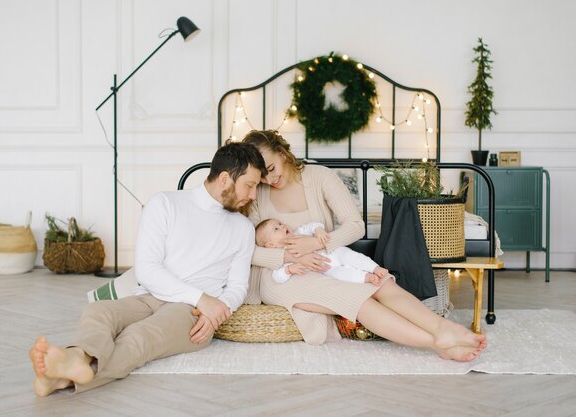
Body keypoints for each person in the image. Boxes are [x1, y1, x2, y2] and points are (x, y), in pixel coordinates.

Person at [29, 142, 267, 396]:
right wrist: (202, 298)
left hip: (192, 313)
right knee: (99, 311)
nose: (253, 196)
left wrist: (215, 312)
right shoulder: (165, 203)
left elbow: (238, 287)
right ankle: (74, 359)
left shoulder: (242, 229)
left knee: (140, 336)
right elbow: (147, 269)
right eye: (249, 186)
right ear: (224, 179)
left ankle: (65, 376)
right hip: (150, 296)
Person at [242, 129, 486, 361]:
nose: (269, 179)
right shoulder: (256, 192)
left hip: (328, 260)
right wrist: (292, 258)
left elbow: (355, 225)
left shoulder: (320, 177)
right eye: (261, 175)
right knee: (358, 297)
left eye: (271, 168)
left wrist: (316, 243)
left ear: (283, 154)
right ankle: (437, 342)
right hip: (280, 276)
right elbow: (248, 250)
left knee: (381, 282)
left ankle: (442, 327)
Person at [255, 218, 389, 285]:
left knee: (352, 257)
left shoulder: (298, 233)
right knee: (341, 275)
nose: (282, 226)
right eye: (276, 229)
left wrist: (318, 230)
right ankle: (366, 278)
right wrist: (289, 270)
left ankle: (374, 268)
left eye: (280, 223)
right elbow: (277, 277)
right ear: (271, 244)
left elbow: (312, 225)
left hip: (333, 252)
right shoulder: (282, 258)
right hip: (326, 269)